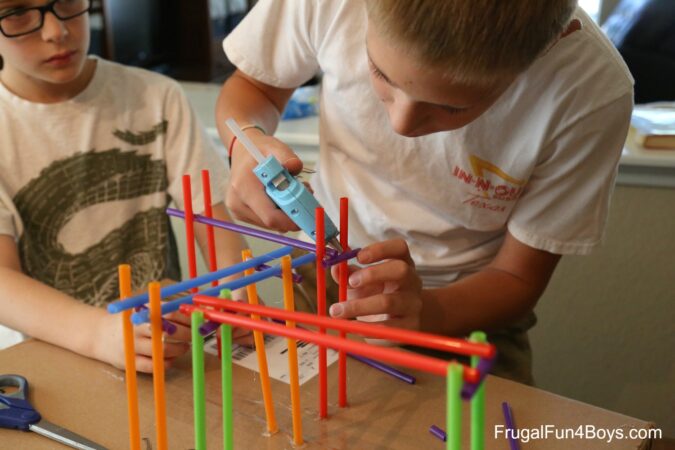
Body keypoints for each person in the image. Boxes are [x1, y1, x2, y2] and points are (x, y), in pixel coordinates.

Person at [215, 0, 633, 384]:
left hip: (467, 312)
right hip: (320, 279)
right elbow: (254, 89)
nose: (401, 123)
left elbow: (517, 277)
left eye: (452, 107)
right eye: (380, 73)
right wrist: (245, 142)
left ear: (548, 48)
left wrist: (425, 312)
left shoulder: (591, 91)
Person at [0, 0, 248, 373]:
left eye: (67, 1)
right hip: (56, 358)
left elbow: (213, 222)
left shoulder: (156, 97)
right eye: (16, 13)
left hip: (166, 346)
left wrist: (237, 289)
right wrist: (99, 333)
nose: (56, 31)